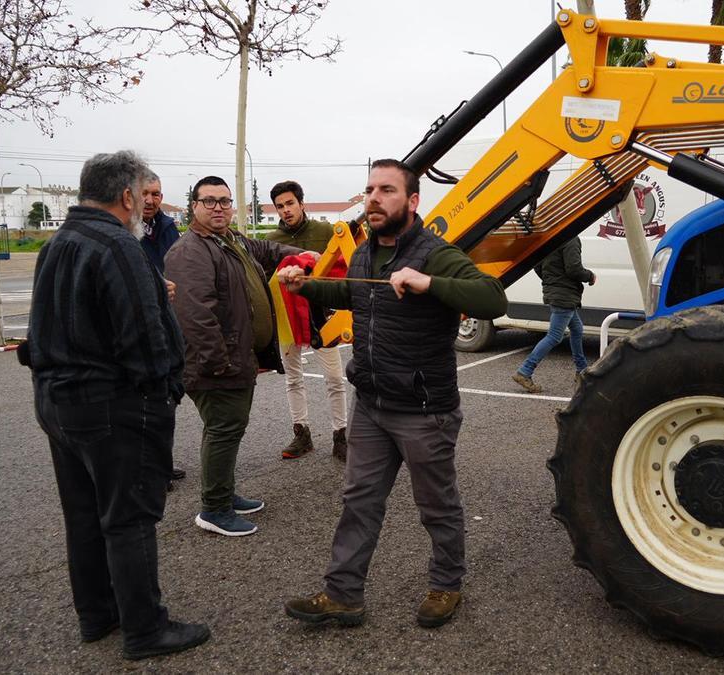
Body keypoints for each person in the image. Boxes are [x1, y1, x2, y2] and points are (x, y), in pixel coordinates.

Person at [278, 159, 507, 629]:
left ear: (413, 200)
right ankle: (343, 595)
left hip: (424, 411)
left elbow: (492, 297)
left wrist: (429, 283)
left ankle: (446, 585)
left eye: (386, 190)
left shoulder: (434, 252)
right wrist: (308, 287)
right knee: (358, 501)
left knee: (437, 507)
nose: (374, 198)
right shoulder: (364, 253)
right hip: (373, 405)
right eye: (369, 190)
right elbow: (356, 294)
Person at [25, 151, 209, 660]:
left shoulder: (58, 242)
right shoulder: (117, 246)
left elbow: (44, 326)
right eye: (140, 196)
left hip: (58, 401)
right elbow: (145, 339)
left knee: (84, 514)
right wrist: (166, 389)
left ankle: (97, 614)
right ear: (127, 196)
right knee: (128, 517)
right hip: (111, 406)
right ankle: (145, 630)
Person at [165, 176, 303, 537]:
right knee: (224, 430)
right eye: (209, 201)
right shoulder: (190, 251)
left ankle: (223, 494)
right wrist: (221, 363)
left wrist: (300, 255)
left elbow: (266, 251)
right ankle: (214, 509)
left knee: (229, 429)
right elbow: (195, 316)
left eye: (225, 201)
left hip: (236, 359)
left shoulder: (230, 241)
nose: (218, 208)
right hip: (216, 365)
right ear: (194, 205)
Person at [265, 180, 348, 461]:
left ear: (302, 203)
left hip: (323, 315)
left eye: (290, 203)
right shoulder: (271, 240)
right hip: (288, 318)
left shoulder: (326, 232)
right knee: (293, 378)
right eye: (280, 206)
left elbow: (344, 264)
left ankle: (341, 435)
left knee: (335, 378)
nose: (286, 210)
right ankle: (302, 434)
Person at [139, 172, 187, 486]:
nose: (151, 200)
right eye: (145, 193)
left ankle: (162, 462)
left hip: (167, 319)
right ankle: (147, 468)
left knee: (167, 396)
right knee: (143, 398)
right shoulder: (123, 230)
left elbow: (181, 265)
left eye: (156, 194)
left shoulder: (167, 227)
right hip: (139, 321)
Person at [511, 236, 596, 393]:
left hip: (556, 292)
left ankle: (581, 369)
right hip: (564, 295)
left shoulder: (551, 238)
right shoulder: (571, 239)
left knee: (577, 329)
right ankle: (524, 371)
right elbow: (574, 269)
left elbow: (537, 265)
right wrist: (590, 276)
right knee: (554, 336)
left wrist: (551, 280)